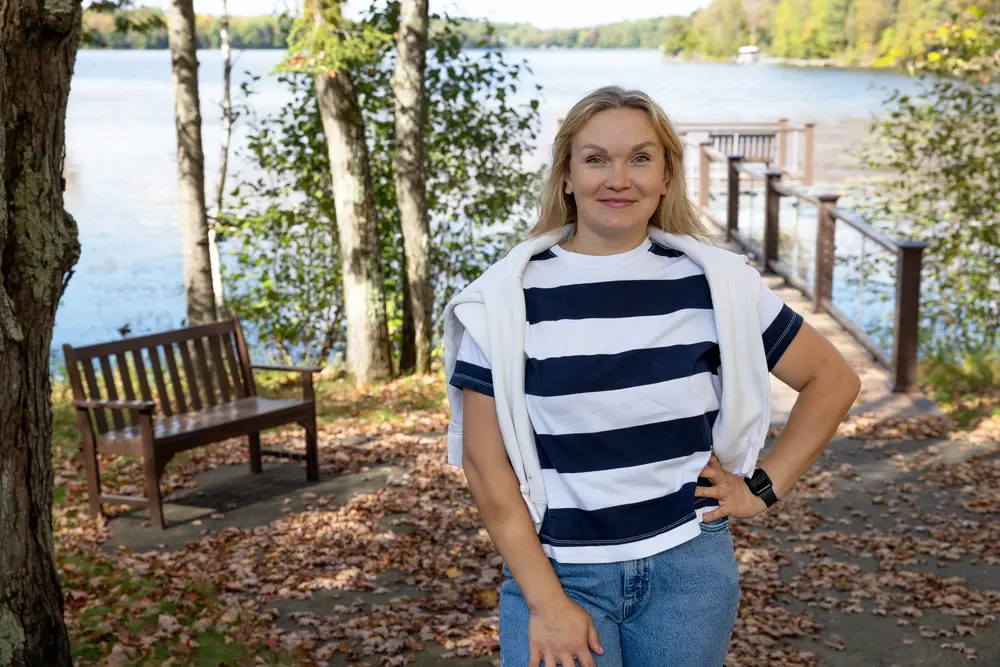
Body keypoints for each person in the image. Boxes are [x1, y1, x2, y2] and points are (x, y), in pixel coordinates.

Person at [442, 86, 861, 667]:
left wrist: (761, 489)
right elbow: (485, 467)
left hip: (689, 572)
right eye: (596, 159)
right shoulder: (504, 299)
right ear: (566, 177)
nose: (619, 179)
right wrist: (547, 603)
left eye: (640, 158)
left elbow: (832, 380)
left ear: (666, 176)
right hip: (560, 572)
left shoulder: (717, 285)